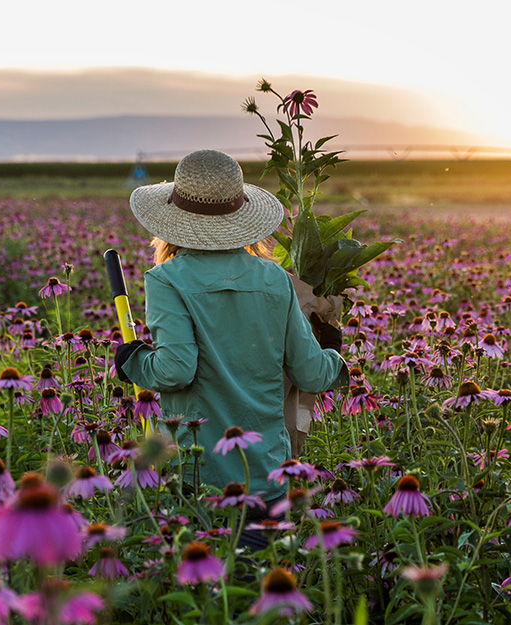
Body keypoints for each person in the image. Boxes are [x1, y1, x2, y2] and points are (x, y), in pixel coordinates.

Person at [113, 149, 347, 516]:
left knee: (205, 554)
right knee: (264, 554)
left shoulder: (167, 279)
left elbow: (175, 369)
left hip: (197, 472)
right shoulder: (275, 279)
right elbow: (312, 374)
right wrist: (331, 349)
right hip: (268, 473)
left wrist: (133, 360)